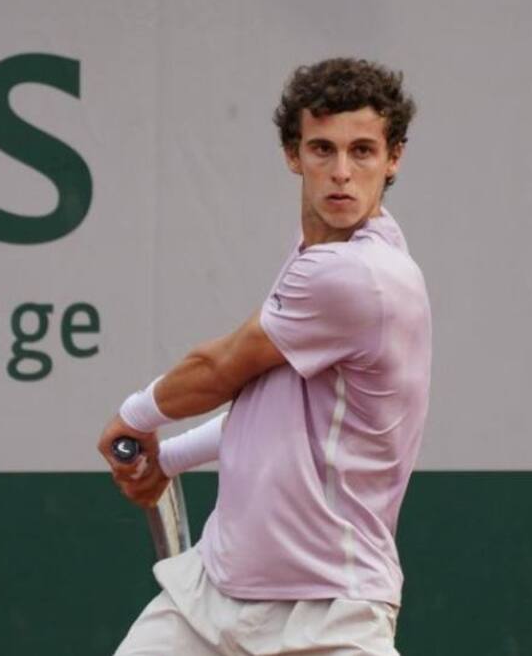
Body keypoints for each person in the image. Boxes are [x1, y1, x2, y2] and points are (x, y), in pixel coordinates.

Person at [98, 57, 431, 655]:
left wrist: (136, 419)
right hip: (212, 594)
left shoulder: (358, 275)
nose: (341, 174)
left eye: (362, 152)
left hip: (329, 611)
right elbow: (272, 412)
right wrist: (168, 458)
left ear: (393, 158)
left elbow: (220, 370)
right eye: (322, 149)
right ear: (292, 154)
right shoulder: (321, 255)